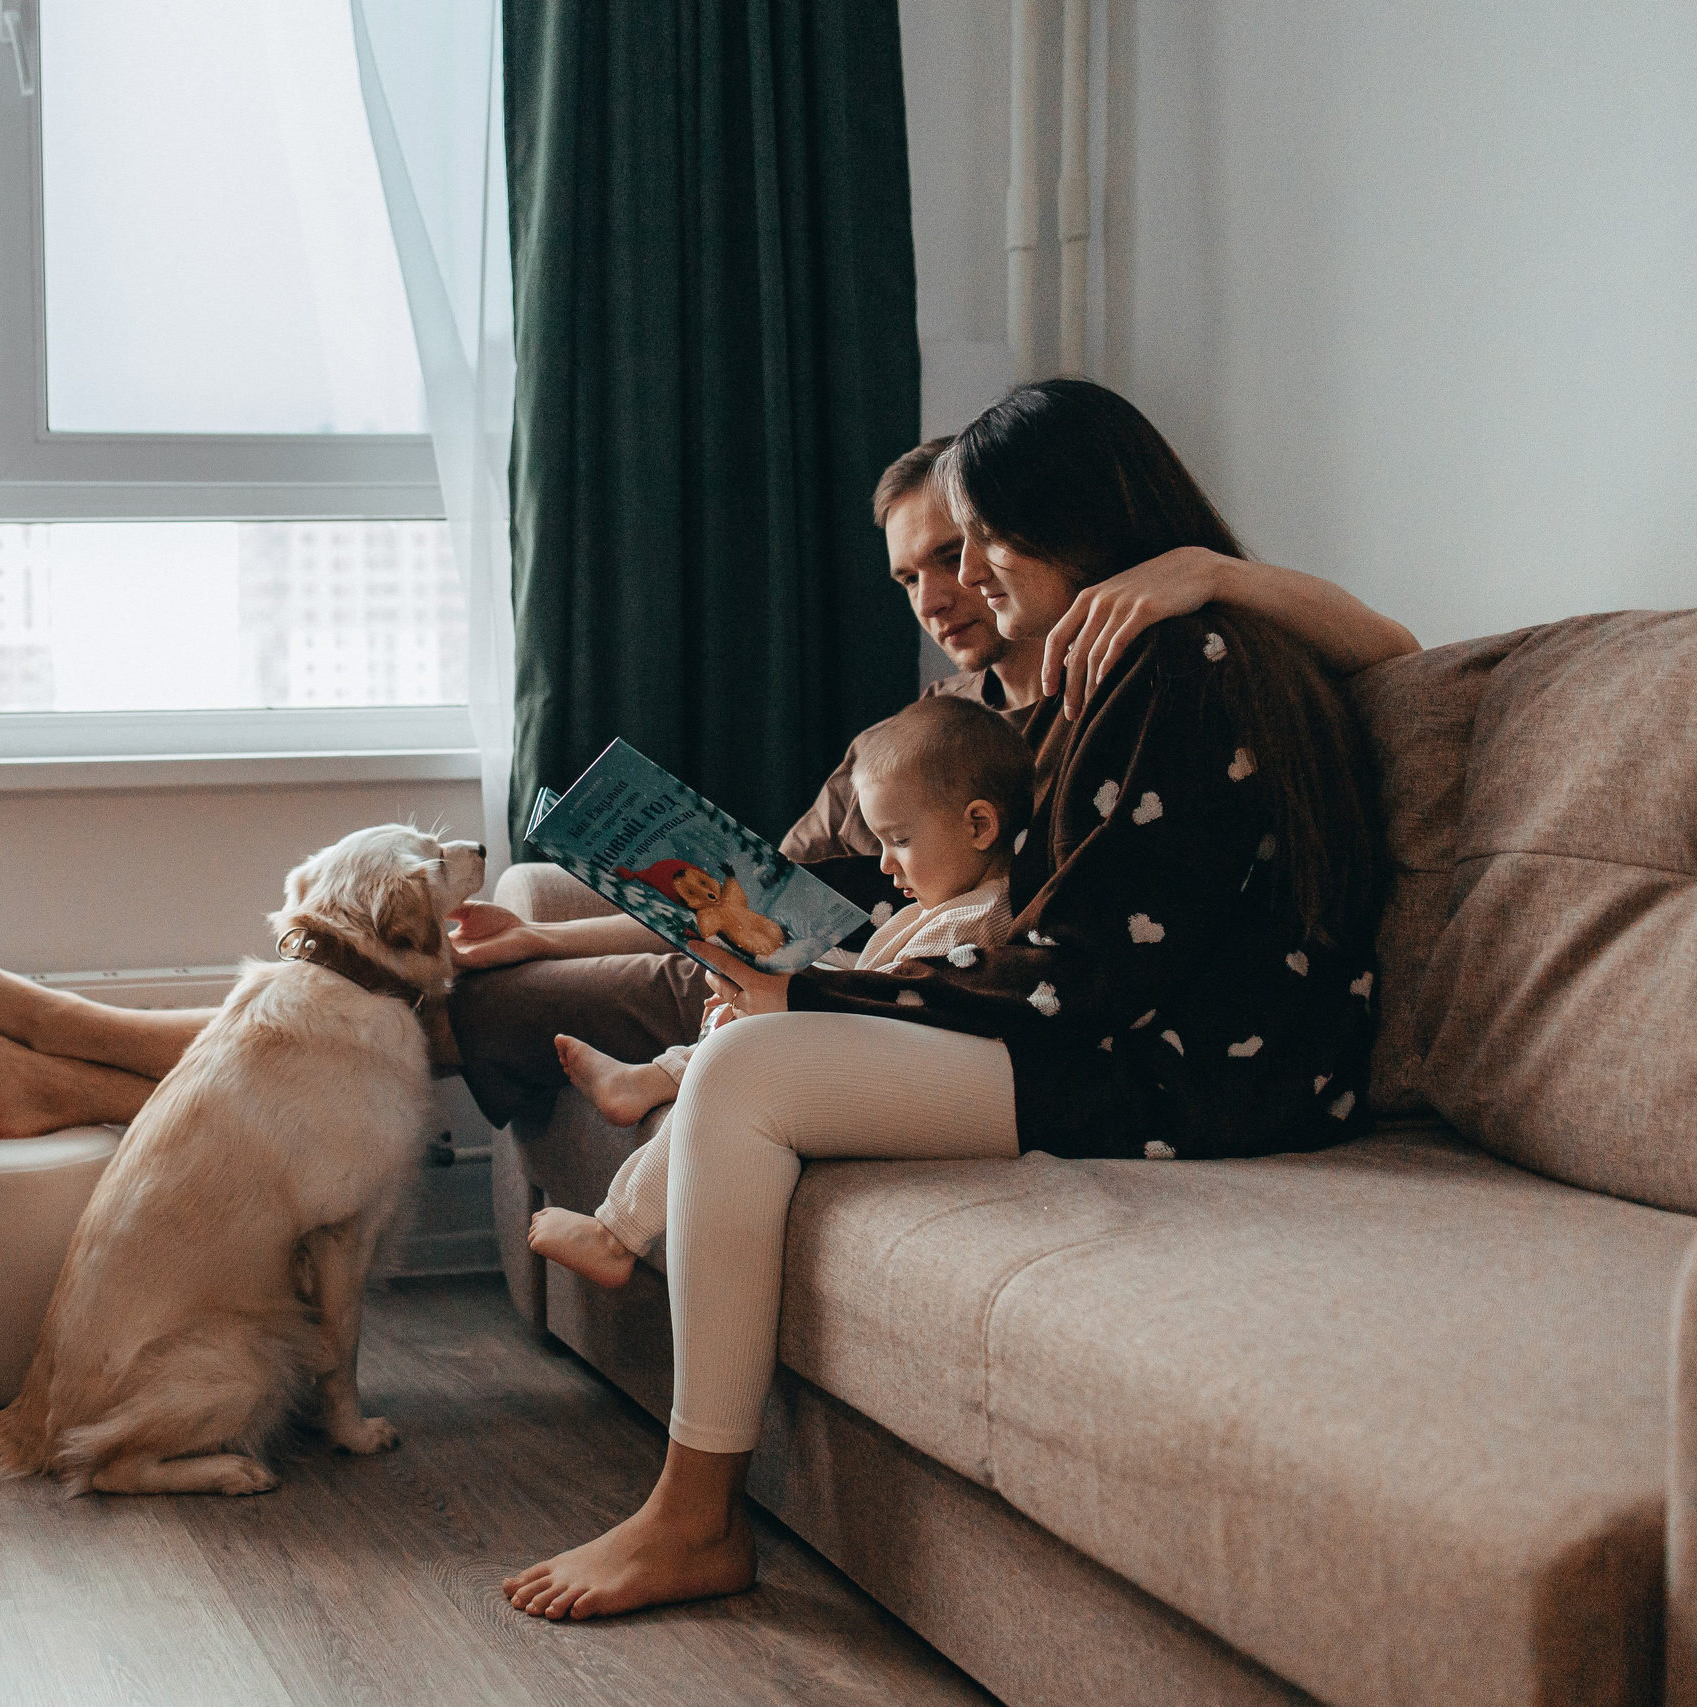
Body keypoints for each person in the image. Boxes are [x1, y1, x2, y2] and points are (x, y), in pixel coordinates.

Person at [497, 376, 1403, 1622]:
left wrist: (827, 995)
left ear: (1073, 517)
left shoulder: (1182, 657)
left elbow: (1085, 975)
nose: (965, 577)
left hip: (1189, 1069)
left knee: (751, 1066)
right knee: (750, 1038)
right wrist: (813, 983)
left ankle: (694, 1517)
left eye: (980, 541)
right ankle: (691, 1505)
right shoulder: (1080, 670)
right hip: (1113, 1033)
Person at [0, 424, 1414, 1149]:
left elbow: (1392, 659)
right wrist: (663, 881)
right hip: (797, 955)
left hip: (870, 995)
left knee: (466, 988)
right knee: (526, 909)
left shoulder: (1131, 677)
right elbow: (787, 872)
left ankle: (75, 1053)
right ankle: (76, 1062)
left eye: (961, 555)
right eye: (914, 574)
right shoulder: (949, 711)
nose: (944, 593)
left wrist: (1211, 566)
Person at [530, 696, 1032, 1289]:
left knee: (747, 1049)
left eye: (898, 841)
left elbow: (908, 1004)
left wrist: (802, 995)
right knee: (751, 1011)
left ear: (978, 825)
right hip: (876, 1040)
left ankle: (617, 1234)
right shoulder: (941, 903)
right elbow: (879, 979)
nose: (887, 867)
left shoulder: (980, 917)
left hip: (906, 1067)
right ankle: (653, 1079)